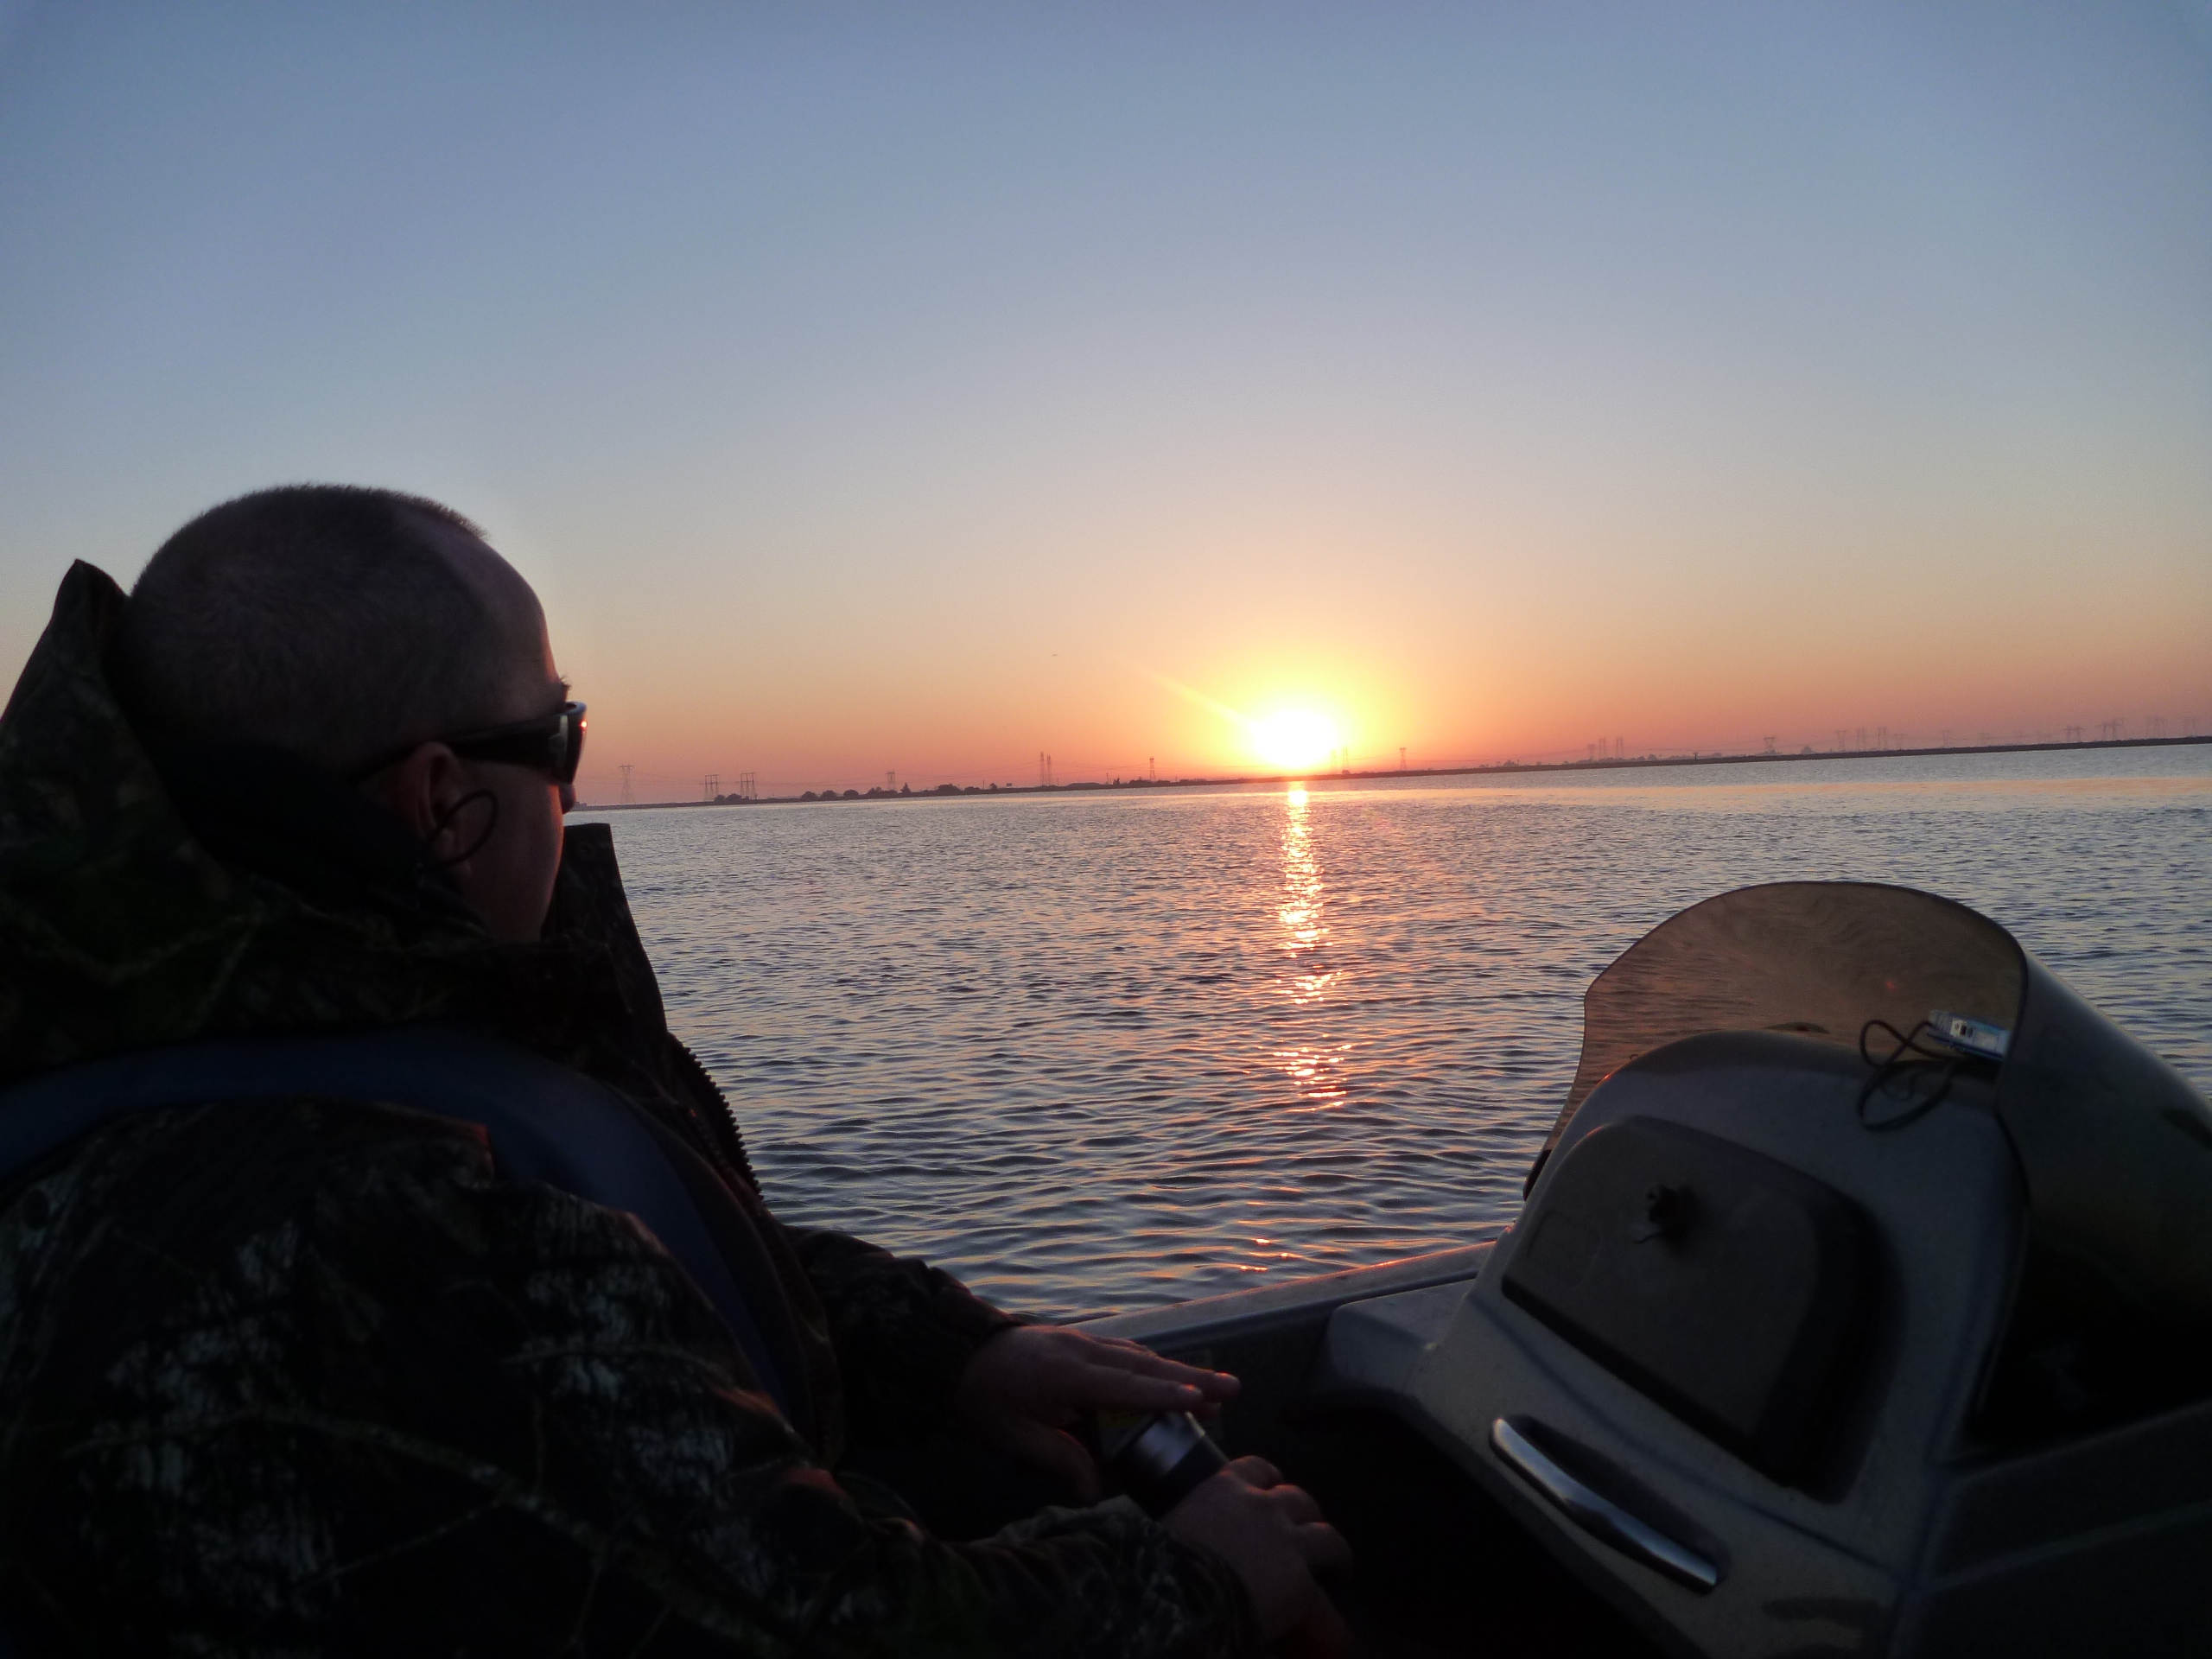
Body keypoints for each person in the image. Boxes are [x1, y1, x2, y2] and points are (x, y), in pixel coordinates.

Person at [0, 486, 1349, 1653]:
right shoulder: (358, 1237)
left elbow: (603, 1270)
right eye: (559, 738)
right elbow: (815, 1629)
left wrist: (955, 1352)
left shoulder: (194, 1028)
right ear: (440, 801)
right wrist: (1200, 1578)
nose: (578, 790)